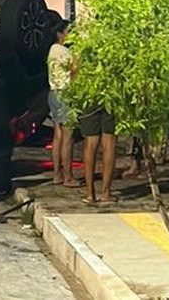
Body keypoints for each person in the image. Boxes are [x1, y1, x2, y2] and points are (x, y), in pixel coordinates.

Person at [47, 17, 80, 188]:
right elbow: (75, 70)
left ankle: (57, 175)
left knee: (58, 136)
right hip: (65, 94)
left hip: (54, 93)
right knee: (68, 138)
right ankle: (68, 177)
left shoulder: (53, 50)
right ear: (61, 33)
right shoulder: (62, 51)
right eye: (69, 31)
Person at [79, 101, 119, 204]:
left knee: (90, 143)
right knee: (109, 143)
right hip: (111, 96)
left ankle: (89, 194)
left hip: (89, 97)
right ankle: (106, 193)